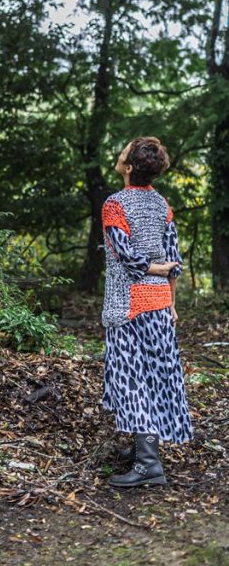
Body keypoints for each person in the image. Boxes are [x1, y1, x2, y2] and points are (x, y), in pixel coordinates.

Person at [100, 136, 193, 487]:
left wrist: (153, 268)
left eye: (124, 152)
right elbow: (175, 262)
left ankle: (149, 466)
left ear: (128, 167)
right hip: (157, 304)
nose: (121, 154)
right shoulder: (161, 203)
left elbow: (127, 257)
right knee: (154, 375)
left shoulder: (114, 205)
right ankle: (143, 448)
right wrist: (171, 303)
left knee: (132, 378)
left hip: (129, 305)